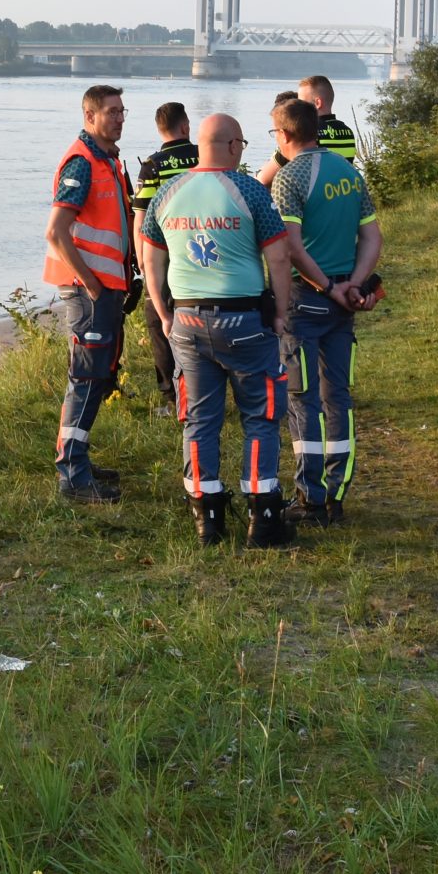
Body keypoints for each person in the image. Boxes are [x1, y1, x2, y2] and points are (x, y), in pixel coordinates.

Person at [138, 112, 302, 548]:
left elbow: (148, 257)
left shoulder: (168, 193)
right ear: (233, 146)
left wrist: (163, 311)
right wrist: (281, 312)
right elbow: (280, 257)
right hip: (245, 319)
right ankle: (262, 516)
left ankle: (206, 518)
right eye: (243, 145)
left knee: (199, 419)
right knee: (261, 417)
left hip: (188, 322)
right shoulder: (248, 190)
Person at [268, 96, 381, 526]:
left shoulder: (288, 177)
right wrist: (355, 283)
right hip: (343, 301)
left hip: (306, 299)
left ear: (284, 135)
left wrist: (330, 287)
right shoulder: (348, 171)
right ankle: (338, 491)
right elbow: (373, 238)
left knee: (302, 399)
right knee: (340, 398)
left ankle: (310, 497)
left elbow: (291, 248)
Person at [44, 84, 133, 504]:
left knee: (98, 378)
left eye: (121, 111)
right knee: (84, 379)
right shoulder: (82, 163)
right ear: (89, 116)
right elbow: (57, 232)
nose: (118, 118)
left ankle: (78, 459)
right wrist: (93, 284)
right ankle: (73, 477)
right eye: (111, 111)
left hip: (106, 289)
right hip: (88, 292)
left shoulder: (107, 161)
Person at [130, 101, 202, 406]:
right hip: (203, 250)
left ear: (161, 129)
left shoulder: (152, 165)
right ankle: (201, 384)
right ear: (185, 126)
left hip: (163, 254)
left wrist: (144, 265)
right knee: (201, 315)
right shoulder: (203, 156)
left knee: (160, 322)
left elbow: (141, 219)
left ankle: (169, 395)